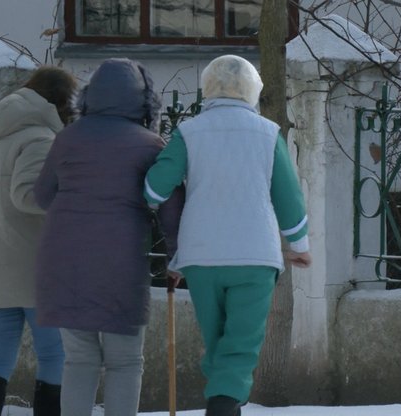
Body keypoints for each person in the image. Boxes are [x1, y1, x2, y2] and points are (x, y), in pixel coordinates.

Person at [143, 54, 312, 416]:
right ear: (252, 90)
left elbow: (155, 190)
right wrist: (300, 245)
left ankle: (223, 403)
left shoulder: (189, 132)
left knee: (217, 342)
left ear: (207, 88)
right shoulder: (268, 133)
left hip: (201, 255)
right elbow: (288, 197)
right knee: (241, 345)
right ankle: (222, 406)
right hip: (254, 256)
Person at [33, 58, 184, 416]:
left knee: (78, 359)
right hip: (120, 264)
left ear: (91, 95)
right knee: (125, 361)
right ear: (144, 99)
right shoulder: (150, 144)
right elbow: (171, 208)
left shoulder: (67, 138)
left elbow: (41, 196)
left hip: (63, 262)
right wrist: (176, 257)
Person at [0, 66, 78, 416]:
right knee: (54, 356)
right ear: (60, 102)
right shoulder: (40, 139)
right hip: (34, 268)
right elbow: (27, 195)